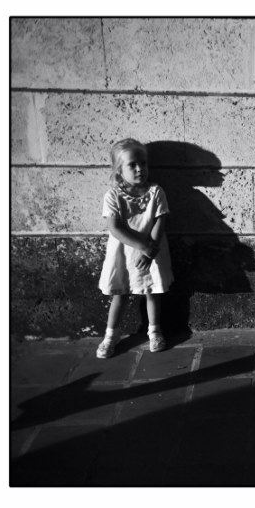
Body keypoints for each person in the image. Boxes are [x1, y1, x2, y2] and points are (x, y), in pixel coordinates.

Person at [96, 138, 174, 358]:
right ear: (119, 170)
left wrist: (151, 250)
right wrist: (142, 246)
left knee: (152, 291)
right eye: (132, 165)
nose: (140, 169)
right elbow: (115, 227)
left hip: (152, 251)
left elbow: (160, 220)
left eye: (143, 163)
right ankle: (111, 335)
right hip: (124, 253)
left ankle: (154, 330)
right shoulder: (113, 195)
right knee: (120, 293)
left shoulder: (156, 192)